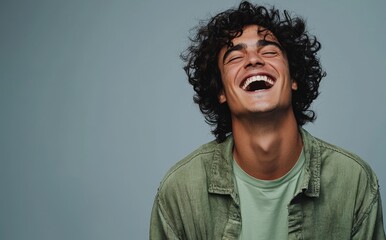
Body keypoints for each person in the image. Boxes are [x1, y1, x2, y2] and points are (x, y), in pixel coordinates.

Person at [149, 1, 386, 239]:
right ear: (220, 91)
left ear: (293, 78)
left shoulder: (354, 181)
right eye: (234, 57)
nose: (253, 60)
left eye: (269, 51)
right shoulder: (180, 191)